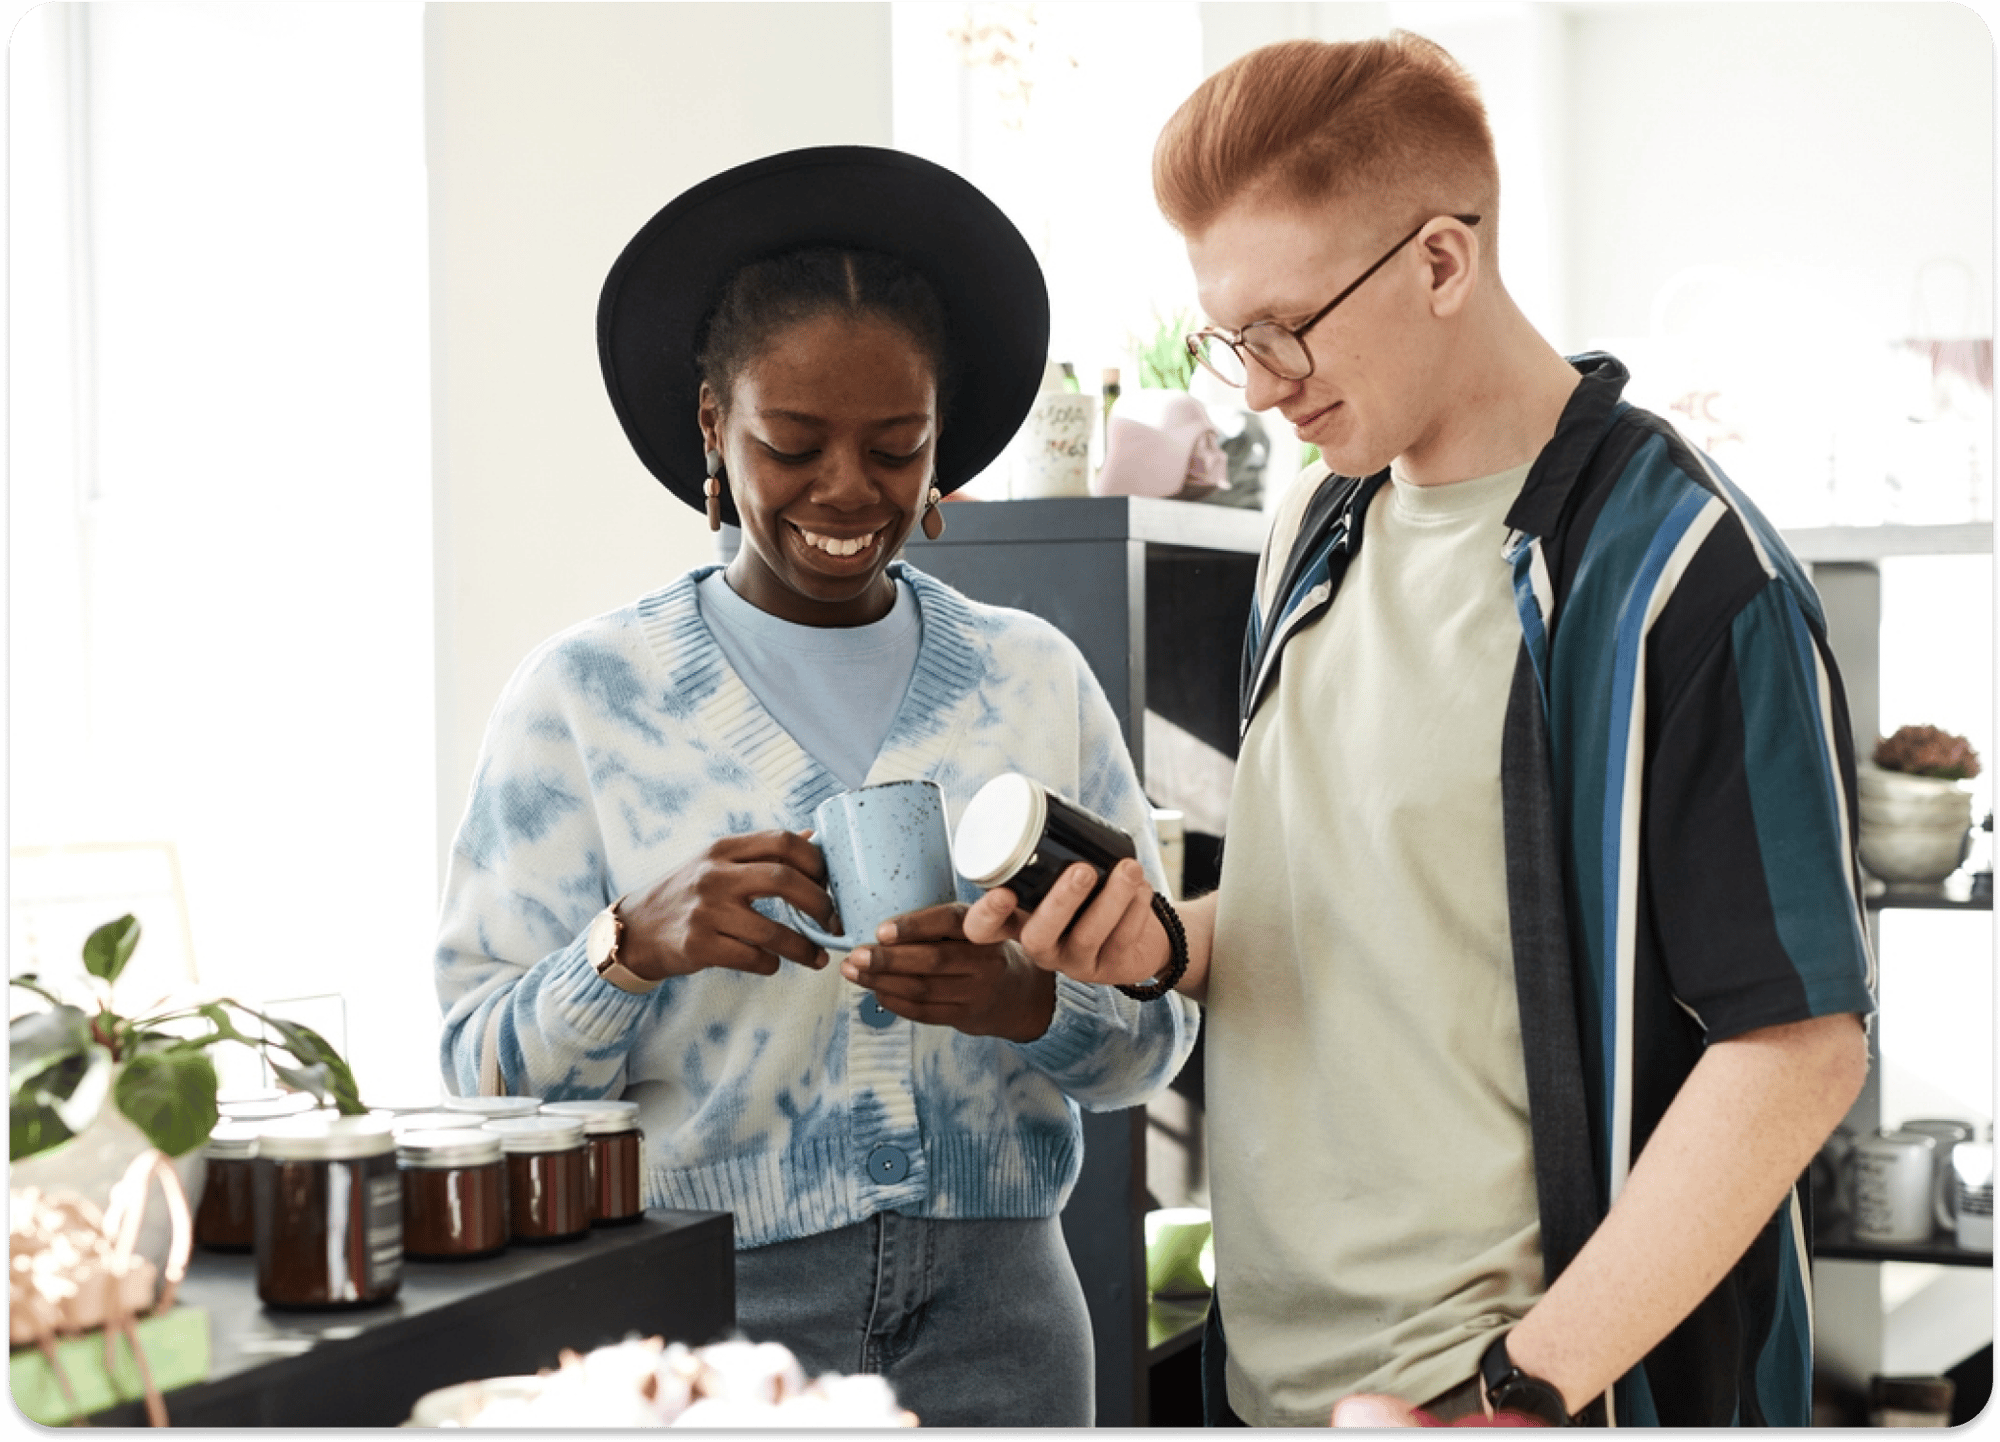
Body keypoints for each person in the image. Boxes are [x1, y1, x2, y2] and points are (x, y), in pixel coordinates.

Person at [963, 33, 1874, 1431]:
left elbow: (1799, 1045)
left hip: (1526, 1392)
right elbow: (1343, 911)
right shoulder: (1313, 526)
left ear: (1443, 263)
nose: (1257, 385)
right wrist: (1156, 942)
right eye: (1230, 341)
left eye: (1285, 329)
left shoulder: (1684, 577)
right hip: (1271, 1381)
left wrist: (1518, 1390)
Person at [433, 146, 1198, 1429]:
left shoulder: (1033, 680)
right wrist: (622, 951)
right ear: (708, 430)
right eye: (792, 443)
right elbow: (474, 1074)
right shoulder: (584, 695)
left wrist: (1028, 1007)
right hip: (703, 1325)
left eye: (896, 448)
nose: (848, 491)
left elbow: (1153, 1027)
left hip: (1003, 1321)